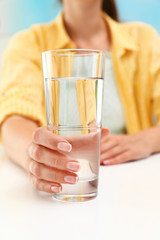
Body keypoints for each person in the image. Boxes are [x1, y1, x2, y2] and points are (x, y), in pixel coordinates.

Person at [0, 0, 160, 194]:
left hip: (131, 189)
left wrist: (146, 140)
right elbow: (15, 117)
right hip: (59, 190)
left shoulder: (145, 39)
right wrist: (36, 155)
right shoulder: (29, 43)